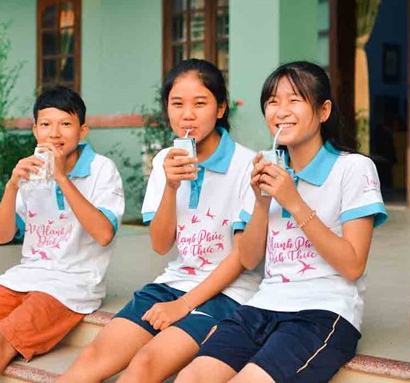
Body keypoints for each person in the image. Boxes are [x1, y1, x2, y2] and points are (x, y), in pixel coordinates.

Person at [176, 61, 388, 383]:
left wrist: (293, 201)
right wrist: (262, 203)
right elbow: (247, 258)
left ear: (323, 110)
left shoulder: (353, 169)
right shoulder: (266, 166)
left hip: (323, 311)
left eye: (294, 99)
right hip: (263, 304)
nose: (280, 110)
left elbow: (353, 265)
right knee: (190, 377)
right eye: (273, 101)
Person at [58, 59, 260, 383]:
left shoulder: (248, 165)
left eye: (200, 103)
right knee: (93, 356)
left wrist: (183, 306)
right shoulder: (165, 160)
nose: (187, 115)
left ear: (220, 108)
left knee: (145, 363)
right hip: (173, 283)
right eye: (177, 104)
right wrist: (170, 185)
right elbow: (161, 243)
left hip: (229, 293)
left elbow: (242, 258)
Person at [0, 86, 125, 383]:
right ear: (35, 130)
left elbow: (104, 234)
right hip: (24, 277)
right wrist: (12, 185)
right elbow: (2, 236)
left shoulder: (102, 170)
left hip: (71, 286)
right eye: (46, 124)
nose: (55, 133)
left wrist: (62, 179)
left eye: (65, 124)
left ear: (83, 130)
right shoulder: (30, 169)